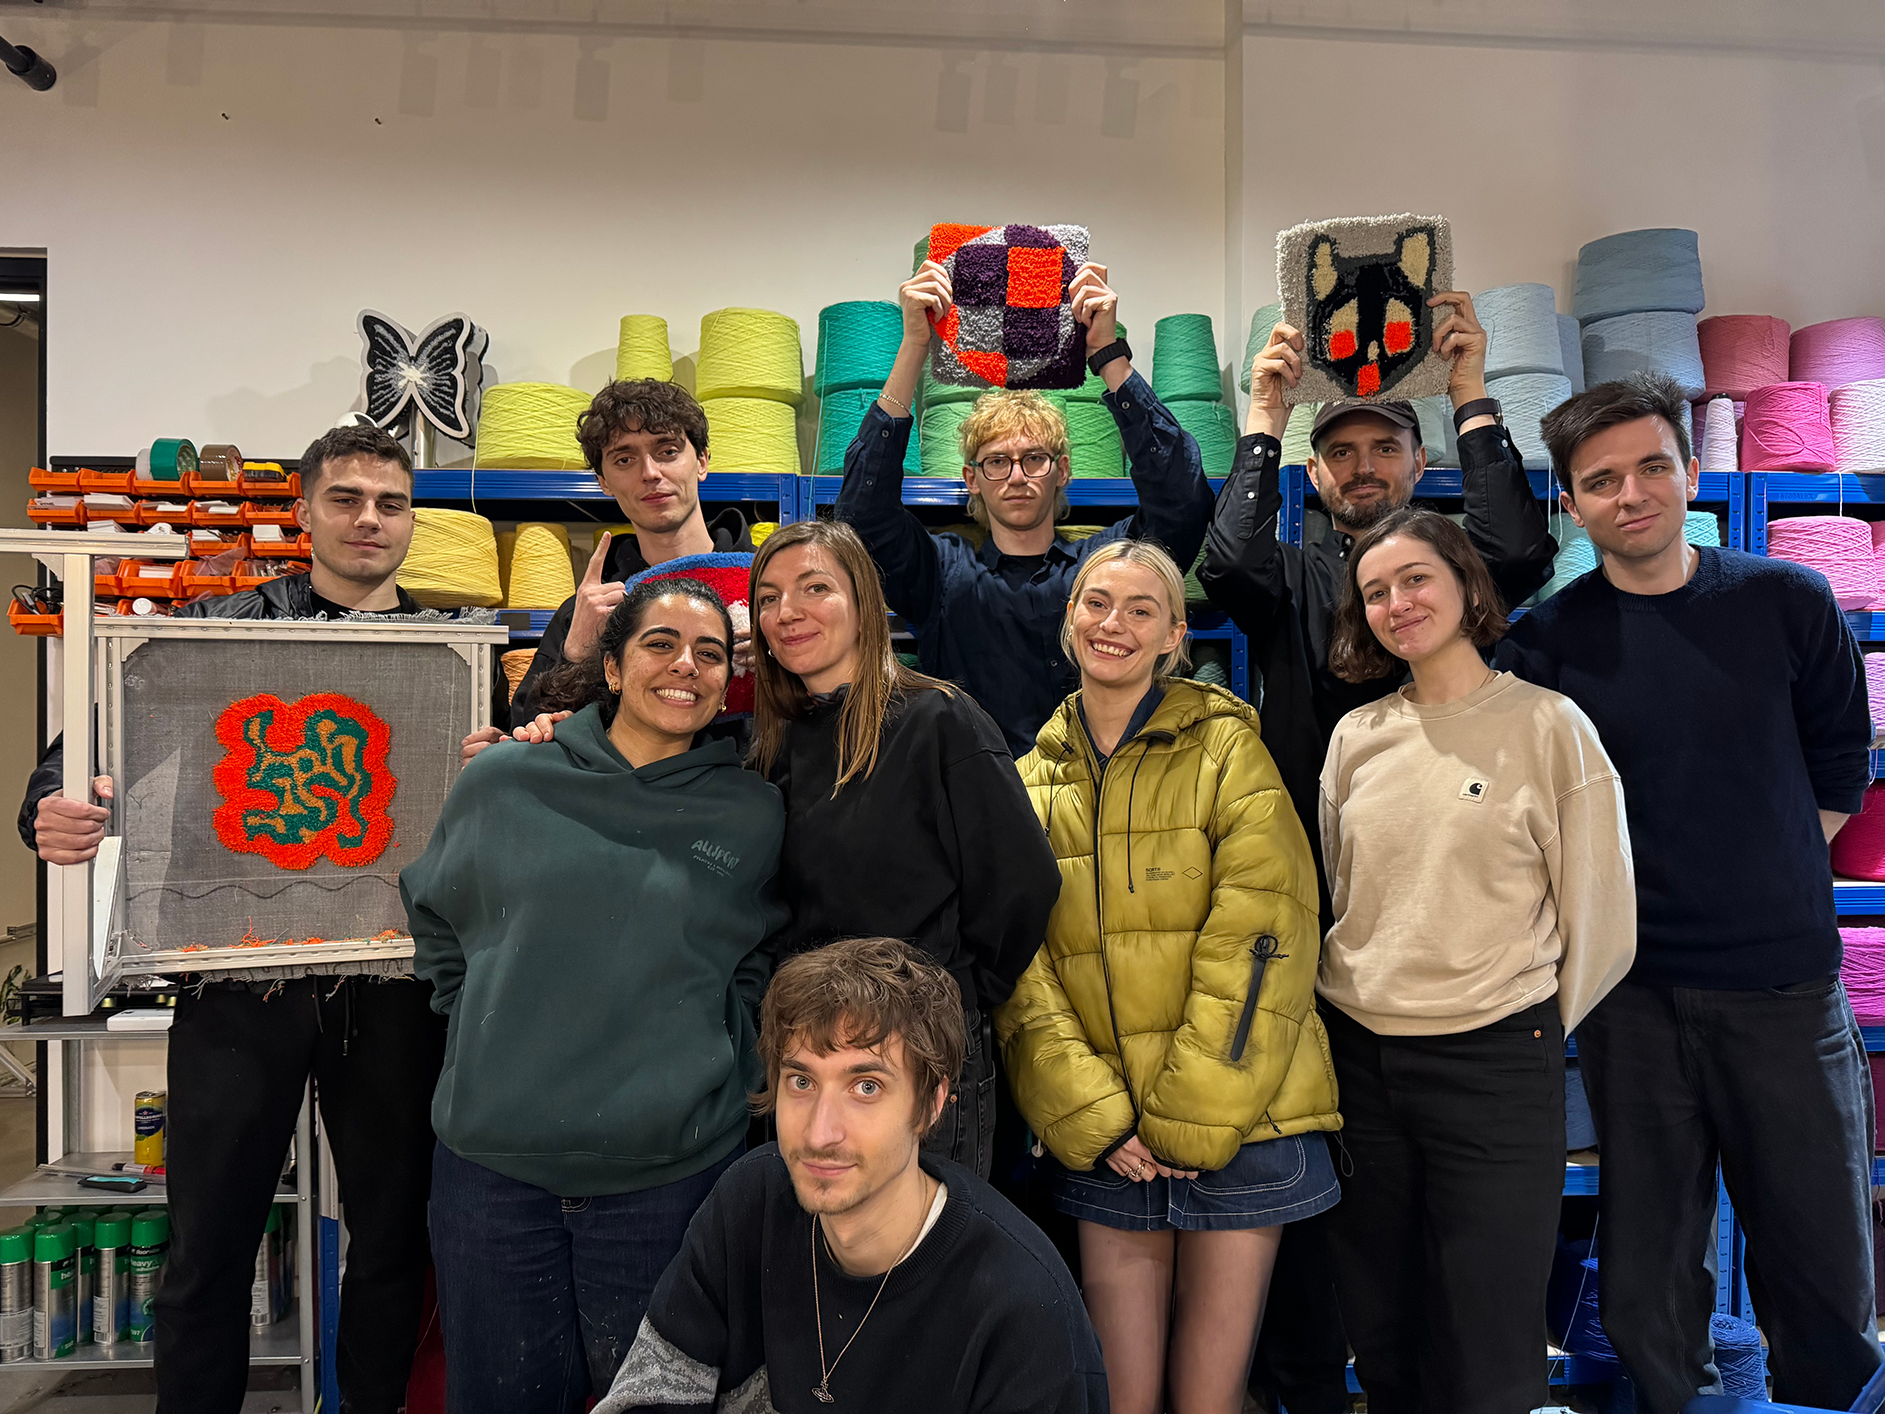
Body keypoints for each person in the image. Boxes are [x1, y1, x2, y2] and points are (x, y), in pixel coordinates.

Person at [18, 423, 442, 1414]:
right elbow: (80, 753)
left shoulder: (446, 655)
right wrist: (55, 804)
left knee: (391, 1243)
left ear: (411, 518)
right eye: (346, 498)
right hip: (239, 981)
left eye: (390, 502)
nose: (369, 519)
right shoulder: (218, 628)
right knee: (207, 1250)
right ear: (302, 511)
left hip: (393, 990)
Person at [1495, 373, 1882, 1413]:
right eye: (1601, 480)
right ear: (1568, 505)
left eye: (1651, 467)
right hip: (1635, 1000)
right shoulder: (1549, 641)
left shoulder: (1784, 601)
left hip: (1784, 993)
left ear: (1691, 473)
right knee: (1649, 1273)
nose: (1632, 494)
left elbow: (1841, 762)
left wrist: (1755, 871)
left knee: (1819, 1264)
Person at [1197, 297, 1556, 1413]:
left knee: (1464, 1254)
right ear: (1316, 475)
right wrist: (1261, 413)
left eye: (1381, 450)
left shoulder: (1460, 580)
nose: (1361, 469)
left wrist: (1468, 392)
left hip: (1459, 968)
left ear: (1416, 463)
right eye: (1339, 453)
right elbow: (1224, 564)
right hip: (1314, 939)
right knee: (1328, 1202)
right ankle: (1314, 1384)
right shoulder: (1297, 582)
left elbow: (1523, 550)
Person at [404, 576, 785, 1414]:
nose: (685, 666)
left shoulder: (751, 813)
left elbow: (757, 956)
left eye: (710, 654)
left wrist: (726, 1051)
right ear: (611, 668)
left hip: (670, 1177)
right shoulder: (505, 779)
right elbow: (436, 918)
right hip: (493, 1177)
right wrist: (482, 1023)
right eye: (660, 645)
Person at [997, 539, 1339, 1414]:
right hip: (1110, 1135)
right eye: (1096, 603)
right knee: (1124, 1398)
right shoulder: (1028, 781)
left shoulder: (1227, 750)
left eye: (1141, 609)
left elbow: (1266, 938)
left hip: (1242, 1115)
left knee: (1208, 1399)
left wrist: (1191, 1113)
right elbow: (1019, 968)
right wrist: (1094, 1115)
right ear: (1069, 620)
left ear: (1174, 636)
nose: (1114, 623)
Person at [1320, 507, 1635, 1414]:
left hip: (1495, 1062)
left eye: (1415, 578)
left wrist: (1516, 1019)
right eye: (1374, 591)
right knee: (1380, 1321)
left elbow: (1603, 921)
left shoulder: (1548, 727)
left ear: (1466, 585)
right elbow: (1353, 893)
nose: (1396, 602)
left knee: (1490, 1335)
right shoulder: (1358, 736)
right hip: (1363, 1064)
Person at [593, 936, 1109, 1414]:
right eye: (801, 1080)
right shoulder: (750, 1201)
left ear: (932, 1103)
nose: (820, 1133)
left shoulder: (1023, 1312)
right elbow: (649, 1395)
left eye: (865, 1087)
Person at [743, 518, 1061, 1180]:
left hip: (916, 1053)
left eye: (813, 588)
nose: (786, 612)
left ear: (863, 604)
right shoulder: (770, 745)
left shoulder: (937, 719)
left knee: (923, 1266)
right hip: (805, 1054)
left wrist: (950, 995)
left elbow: (1023, 885)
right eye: (767, 598)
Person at [835, 257, 1215, 758]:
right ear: (971, 479)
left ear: (1062, 471)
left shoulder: (1105, 571)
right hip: (973, 810)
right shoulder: (940, 573)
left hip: (1092, 808)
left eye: (1033, 458)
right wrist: (913, 347)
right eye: (997, 461)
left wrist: (1107, 353)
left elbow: (1183, 500)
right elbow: (860, 516)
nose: (1016, 476)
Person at [476, 377, 757, 744]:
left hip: (755, 794)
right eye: (625, 459)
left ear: (702, 461)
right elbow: (528, 728)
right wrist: (575, 652)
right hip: (627, 798)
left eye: (668, 451)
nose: (650, 473)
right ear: (603, 481)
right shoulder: (590, 606)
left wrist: (780, 666)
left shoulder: (767, 586)